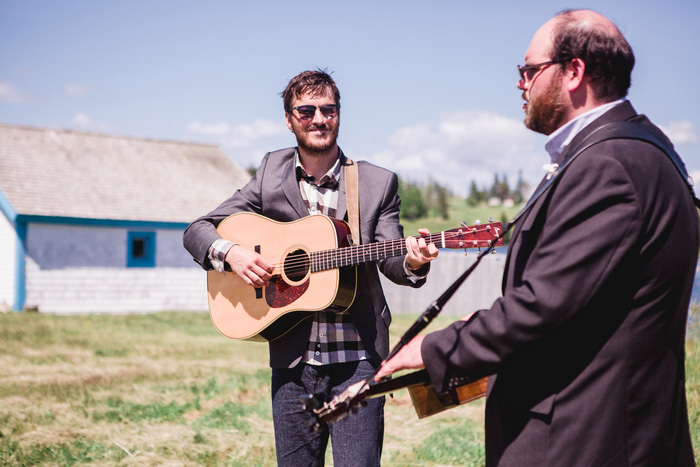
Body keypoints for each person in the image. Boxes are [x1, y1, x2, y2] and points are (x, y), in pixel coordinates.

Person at [376, 9, 698, 466]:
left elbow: (542, 305)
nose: (520, 83)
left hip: (587, 440)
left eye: (528, 70)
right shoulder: (641, 150)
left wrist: (432, 347)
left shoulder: (607, 166)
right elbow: (581, 303)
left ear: (573, 71)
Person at [183, 69, 438, 466]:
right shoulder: (271, 173)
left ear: (339, 114)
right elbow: (198, 230)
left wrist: (413, 259)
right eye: (307, 111)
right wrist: (231, 253)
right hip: (293, 365)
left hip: (357, 363)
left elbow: (391, 255)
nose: (319, 119)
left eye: (328, 109)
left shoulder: (375, 183)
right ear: (289, 119)